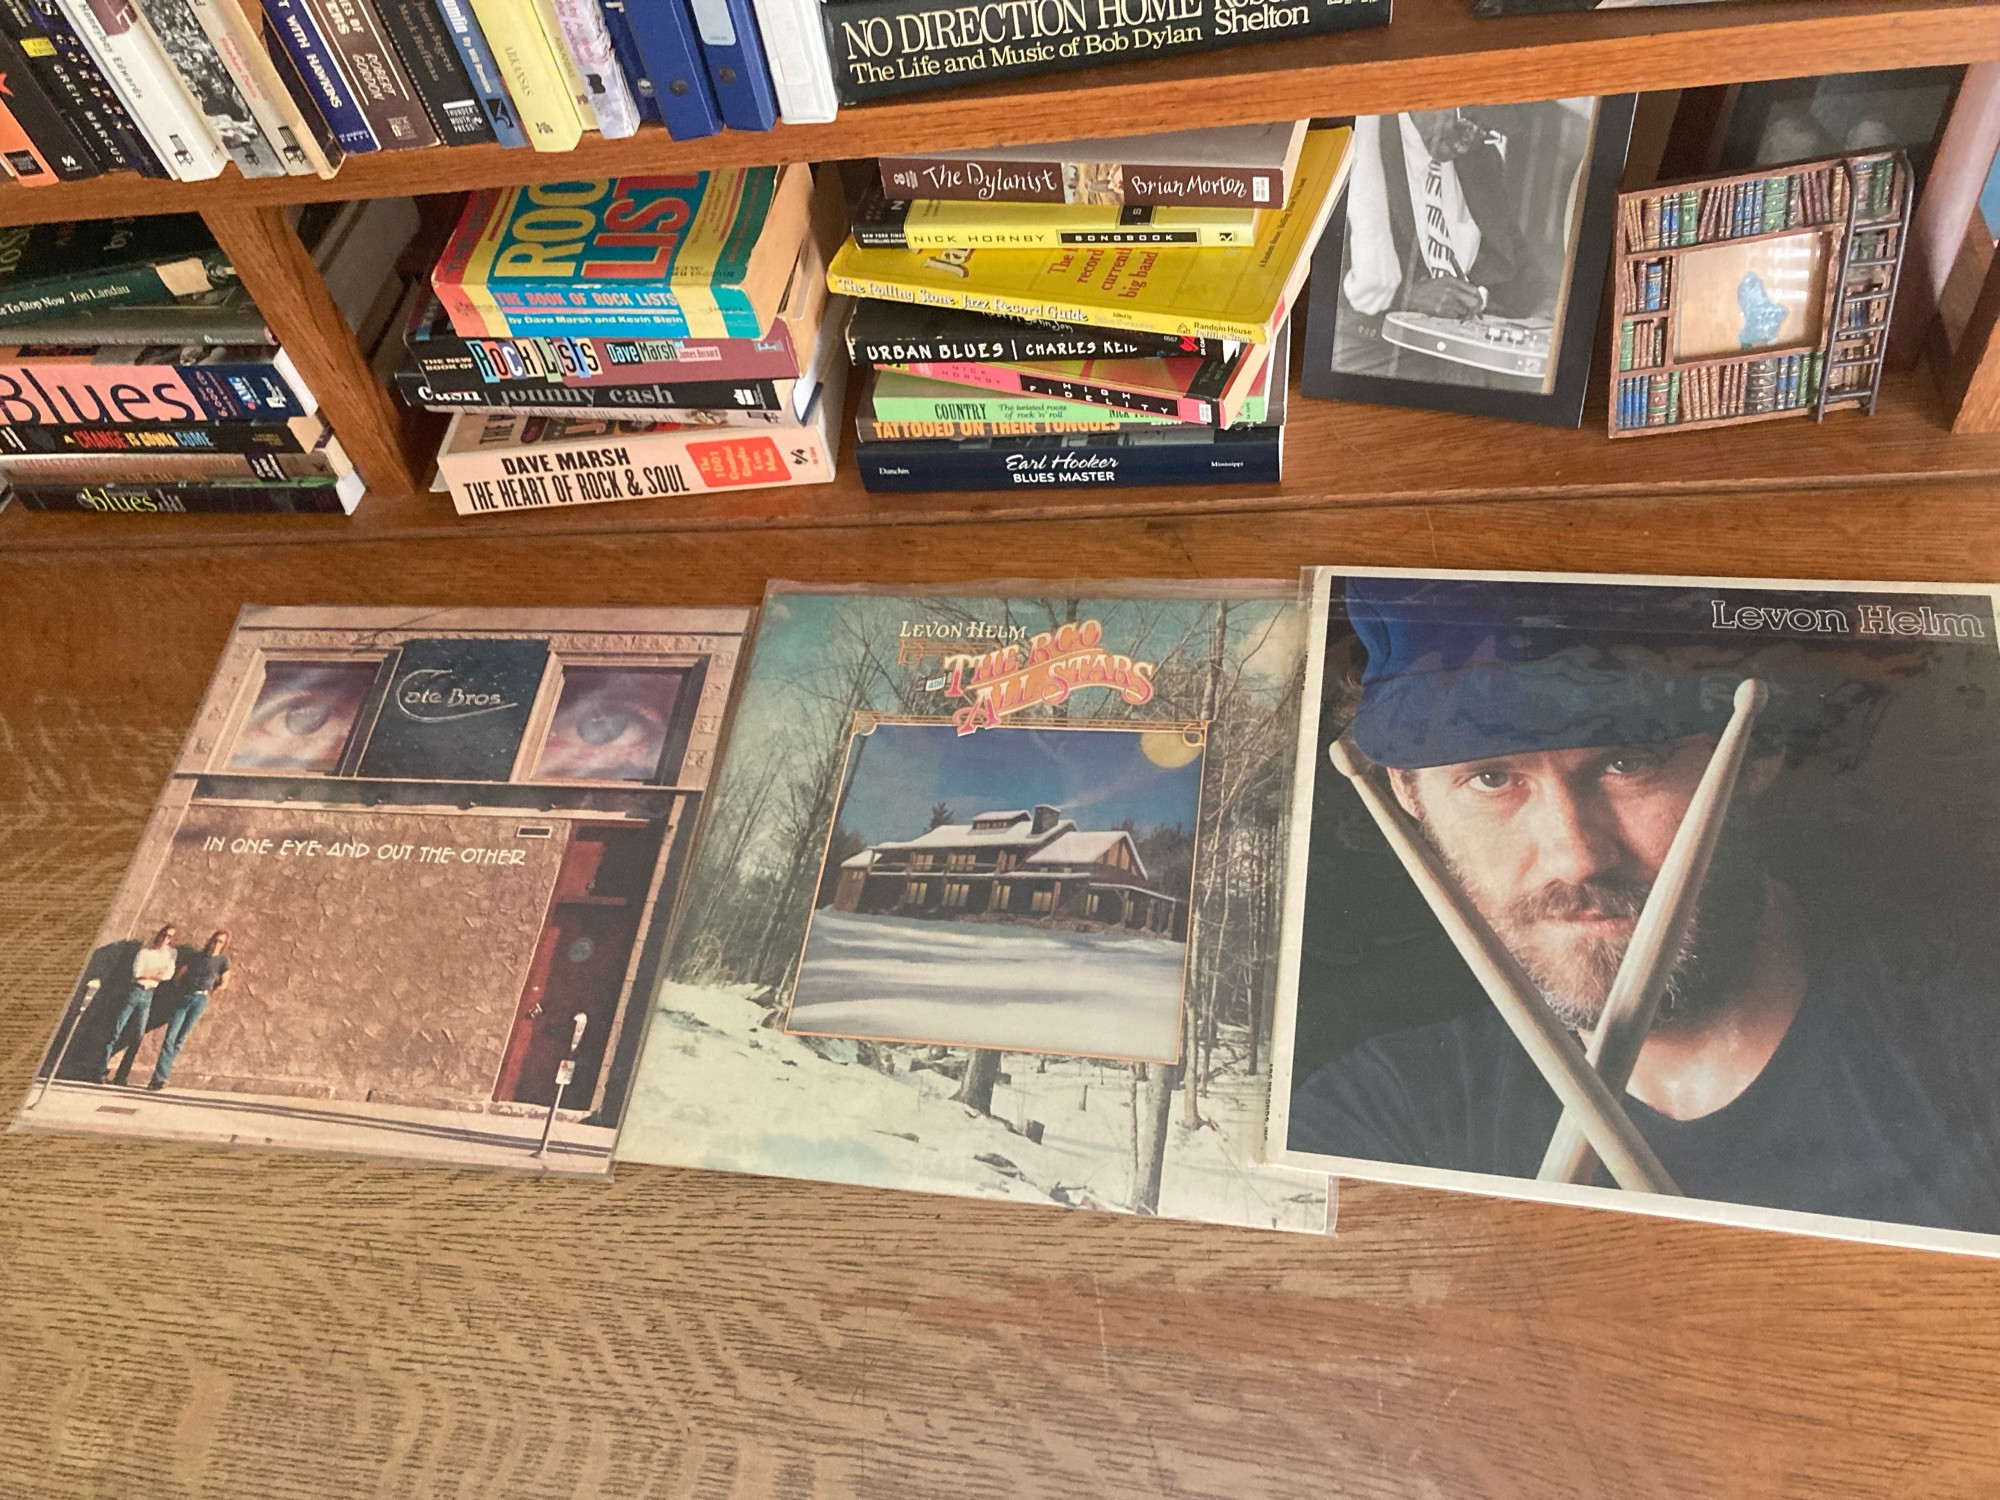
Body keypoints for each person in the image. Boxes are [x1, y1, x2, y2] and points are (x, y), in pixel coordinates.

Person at [1290, 576, 2000, 1235]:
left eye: (1628, 763)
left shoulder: (1972, 1045)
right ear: (1409, 794)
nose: (1576, 855)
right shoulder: (1372, 1121)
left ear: (1757, 750)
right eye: (1493, 777)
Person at [1335, 109, 1551, 384]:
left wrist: (1549, 301)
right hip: (1374, 346)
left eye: (1483, 131)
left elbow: (1514, 255)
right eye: (1467, 123)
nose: (1466, 142)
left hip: (1461, 353)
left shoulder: (1481, 159)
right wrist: (1408, 297)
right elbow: (1312, 271)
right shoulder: (1362, 137)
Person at [151, 928, 230, 1091]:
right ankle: (159, 1079)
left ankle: (162, 1076)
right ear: (211, 940)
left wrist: (210, 993)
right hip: (185, 997)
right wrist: (181, 989)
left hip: (200, 1000)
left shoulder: (222, 961)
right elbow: (179, 975)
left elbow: (224, 983)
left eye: (221, 942)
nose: (216, 944)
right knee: (170, 1038)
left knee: (180, 1039)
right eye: (215, 940)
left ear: (224, 945)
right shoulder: (196, 957)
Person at [102, 924, 177, 1085]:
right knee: (116, 1030)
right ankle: (100, 1071)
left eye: (170, 937)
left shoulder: (171, 954)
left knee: (137, 1036)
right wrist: (154, 973)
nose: (166, 939)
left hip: (149, 995)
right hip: (135, 992)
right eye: (164, 934)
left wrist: (148, 973)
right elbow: (136, 974)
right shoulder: (145, 952)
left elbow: (168, 975)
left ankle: (121, 1077)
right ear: (159, 934)